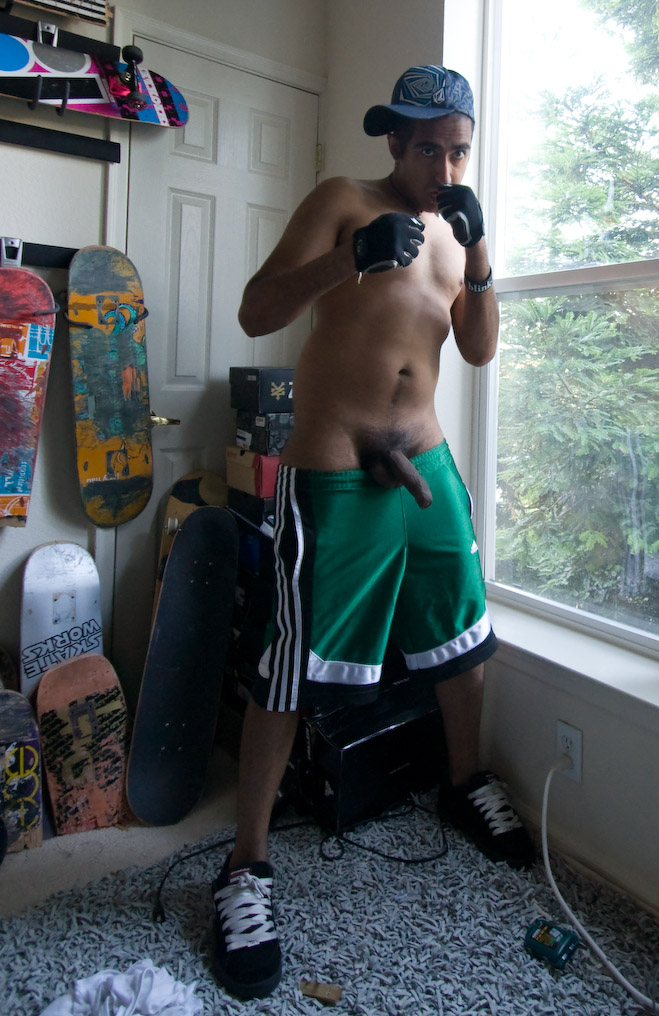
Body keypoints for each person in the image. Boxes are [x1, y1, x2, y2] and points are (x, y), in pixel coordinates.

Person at [212, 64, 534, 1001]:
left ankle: (462, 783)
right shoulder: (341, 199)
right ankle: (245, 865)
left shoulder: (455, 228)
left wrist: (478, 254)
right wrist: (350, 258)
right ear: (393, 140)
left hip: (422, 464)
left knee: (462, 637)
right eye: (428, 148)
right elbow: (257, 310)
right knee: (290, 665)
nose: (444, 167)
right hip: (335, 471)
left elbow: (477, 348)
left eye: (458, 150)